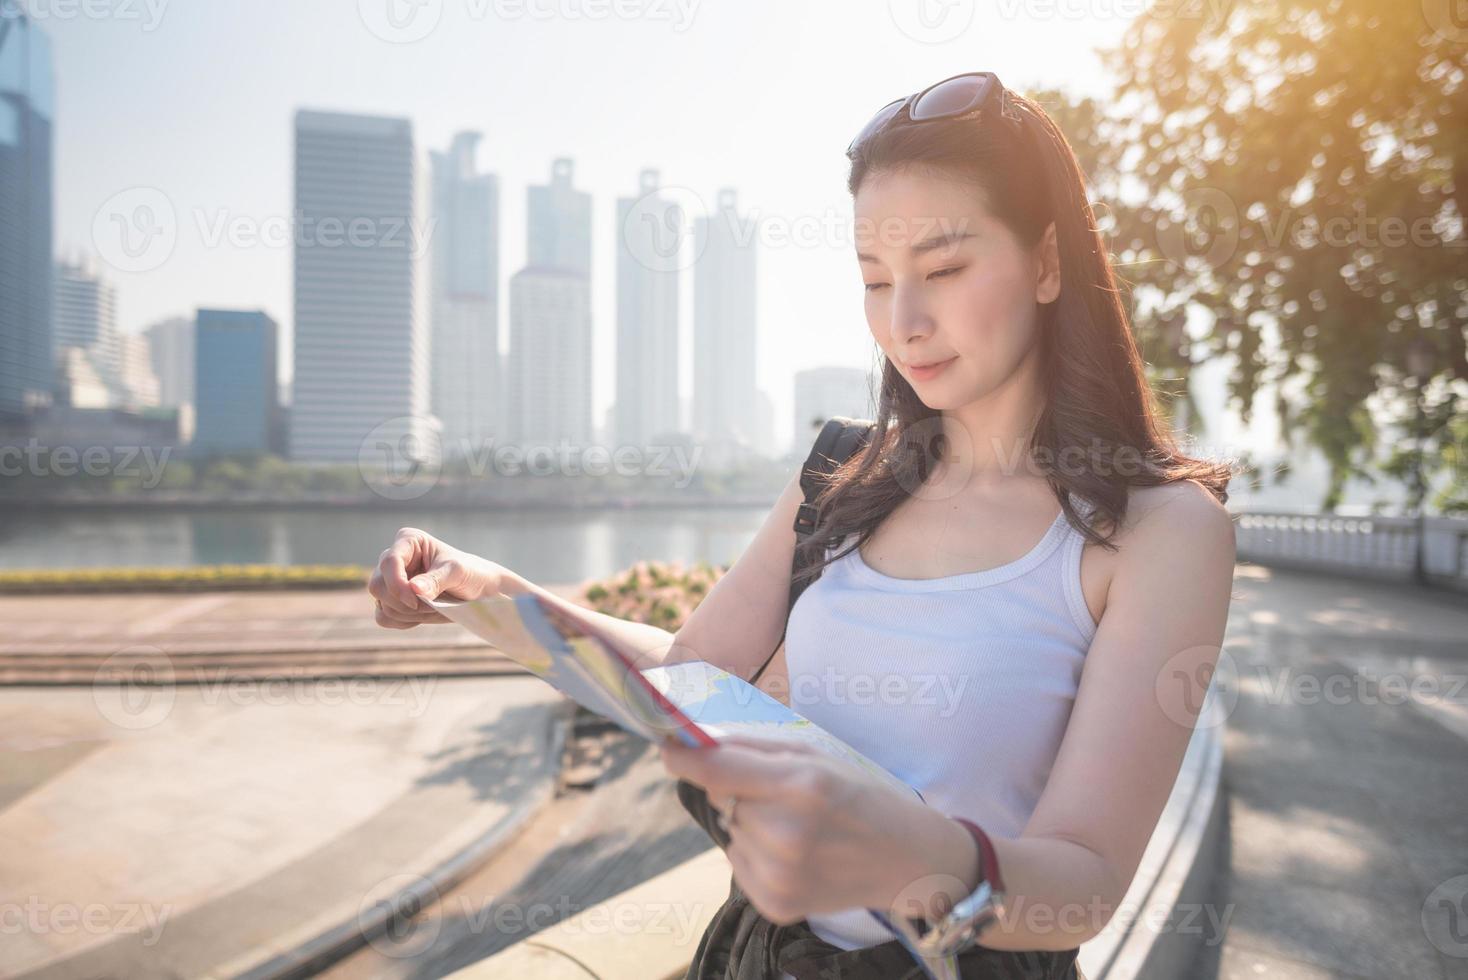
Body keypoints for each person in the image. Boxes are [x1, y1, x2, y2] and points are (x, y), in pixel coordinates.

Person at [369, 70, 1237, 980]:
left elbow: (1087, 881)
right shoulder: (845, 475)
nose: (904, 322)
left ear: (1050, 262)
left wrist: (912, 857)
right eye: (875, 279)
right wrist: (484, 591)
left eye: (944, 269)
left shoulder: (1157, 532)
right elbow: (684, 679)